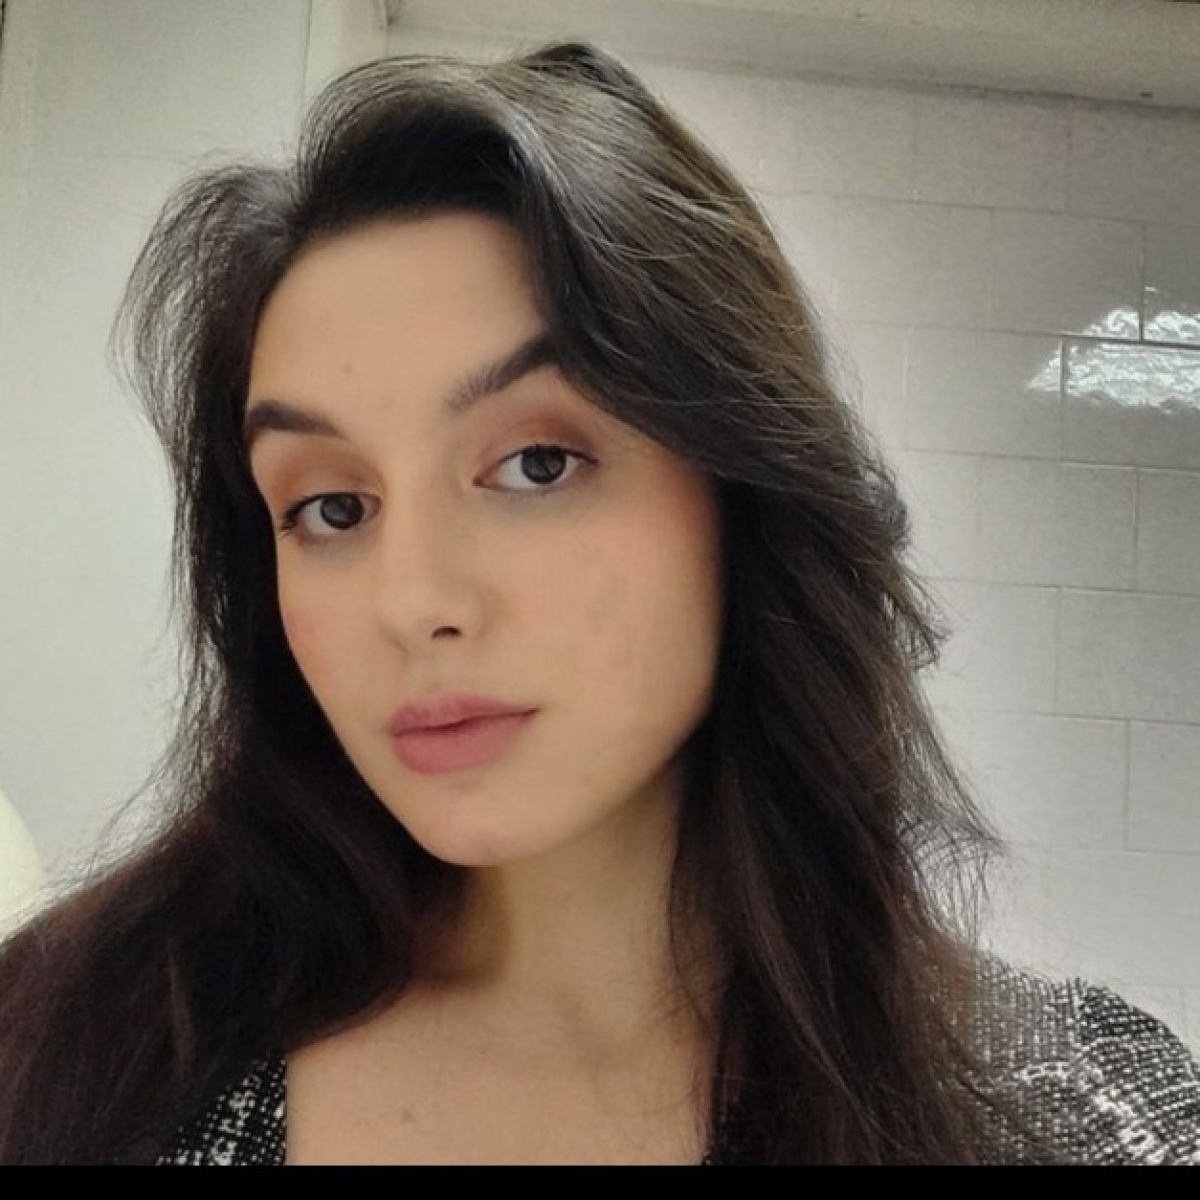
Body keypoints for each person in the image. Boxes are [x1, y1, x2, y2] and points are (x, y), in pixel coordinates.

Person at [0, 40, 1197, 1166]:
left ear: (742, 495)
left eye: (537, 464)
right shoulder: (66, 1046)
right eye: (332, 507)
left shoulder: (1086, 1111)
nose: (412, 601)